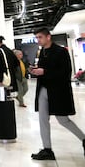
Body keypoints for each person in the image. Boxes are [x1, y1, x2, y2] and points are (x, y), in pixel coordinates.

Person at [29, 28, 85, 160]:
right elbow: (45, 70)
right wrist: (37, 71)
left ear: (48, 37)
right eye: (37, 37)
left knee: (63, 119)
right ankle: (47, 149)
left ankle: (83, 139)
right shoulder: (42, 52)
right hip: (43, 89)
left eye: (40, 37)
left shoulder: (61, 52)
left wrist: (44, 72)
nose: (38, 40)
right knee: (43, 119)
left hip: (58, 91)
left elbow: (65, 72)